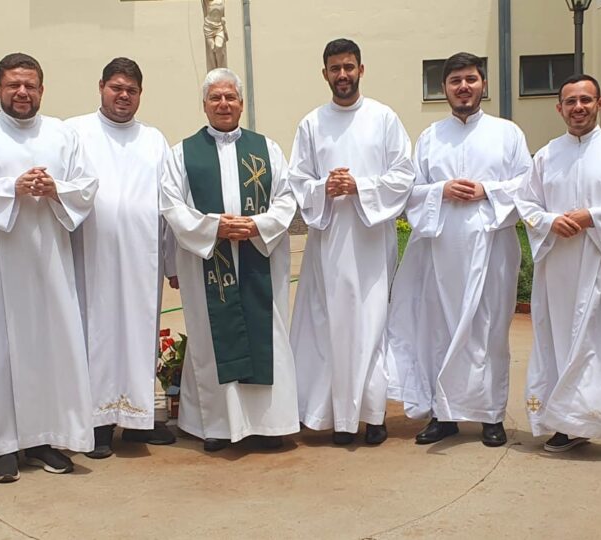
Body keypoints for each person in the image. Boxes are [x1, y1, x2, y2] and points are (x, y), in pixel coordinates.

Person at [0, 53, 97, 482]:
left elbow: (86, 185)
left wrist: (56, 189)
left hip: (48, 259)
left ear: (42, 90)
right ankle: (1, 446)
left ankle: (45, 438)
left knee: (49, 345)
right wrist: (10, 189)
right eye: (13, 85)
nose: (22, 93)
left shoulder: (62, 134)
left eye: (30, 85)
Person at [386, 52, 532, 447]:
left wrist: (488, 190)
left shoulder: (508, 134)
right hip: (441, 248)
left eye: (470, 79)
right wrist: (440, 190)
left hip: (492, 247)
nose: (463, 87)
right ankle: (443, 415)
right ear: (444, 89)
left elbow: (528, 187)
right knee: (439, 330)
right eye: (455, 81)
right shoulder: (431, 137)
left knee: (488, 331)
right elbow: (409, 193)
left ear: (483, 84)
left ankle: (490, 416)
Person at [515, 74, 601, 463]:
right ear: (559, 108)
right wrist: (549, 222)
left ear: (599, 104)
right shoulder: (545, 155)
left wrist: (592, 216)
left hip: (600, 264)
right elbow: (527, 205)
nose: (578, 107)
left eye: (585, 100)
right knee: (558, 343)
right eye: (570, 101)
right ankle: (568, 425)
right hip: (557, 267)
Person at [160, 68, 300, 452]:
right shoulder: (181, 153)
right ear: (204, 105)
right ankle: (220, 428)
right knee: (211, 339)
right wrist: (213, 228)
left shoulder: (266, 149)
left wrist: (258, 225)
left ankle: (269, 427)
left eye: (230, 97)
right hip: (208, 261)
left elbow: (287, 197)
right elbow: (171, 204)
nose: (224, 104)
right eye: (215, 98)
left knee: (265, 336)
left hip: (258, 260)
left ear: (241, 103)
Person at [288, 38, 415, 445]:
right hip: (327, 244)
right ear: (324, 73)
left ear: (362, 69)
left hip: (371, 242)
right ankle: (336, 419)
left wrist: (359, 185)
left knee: (371, 324)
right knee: (330, 328)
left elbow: (403, 175)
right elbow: (297, 180)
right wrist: (325, 187)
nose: (342, 75)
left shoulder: (384, 118)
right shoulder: (311, 123)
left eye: (349, 67)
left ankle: (373, 415)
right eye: (334, 68)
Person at [65, 57, 177, 458]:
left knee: (139, 331)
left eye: (131, 89)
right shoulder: (75, 132)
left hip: (140, 257)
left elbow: (169, 203)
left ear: (140, 94)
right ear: (101, 87)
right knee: (96, 333)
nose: (123, 95)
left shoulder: (154, 140)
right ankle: (96, 424)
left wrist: (172, 262)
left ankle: (136, 421)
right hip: (90, 255)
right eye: (116, 87)